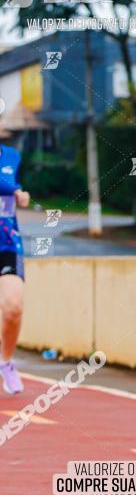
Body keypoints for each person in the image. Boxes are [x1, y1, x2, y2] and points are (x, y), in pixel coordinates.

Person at [0, 130, 29, 394]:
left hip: (7, 244)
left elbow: (15, 187)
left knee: (13, 307)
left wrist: (21, 195)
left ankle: (6, 362)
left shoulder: (11, 156)